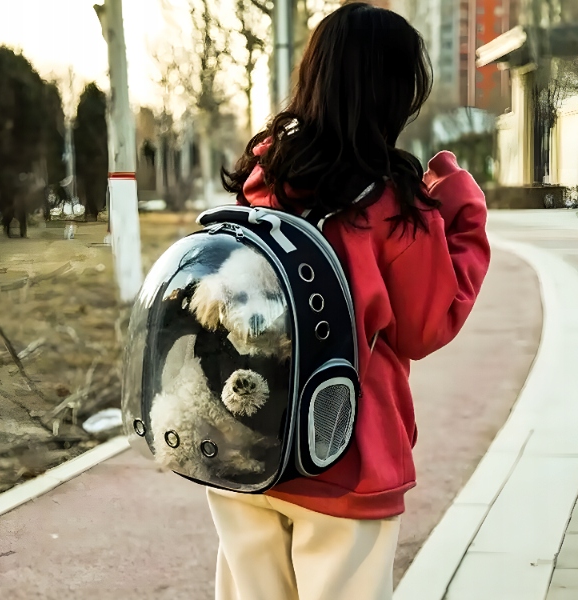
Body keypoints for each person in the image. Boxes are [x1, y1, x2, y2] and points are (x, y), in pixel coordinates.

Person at [208, 3, 490, 599]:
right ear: (393, 94)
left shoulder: (264, 177)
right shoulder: (392, 204)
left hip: (247, 442)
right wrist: (462, 215)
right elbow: (426, 327)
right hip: (345, 455)